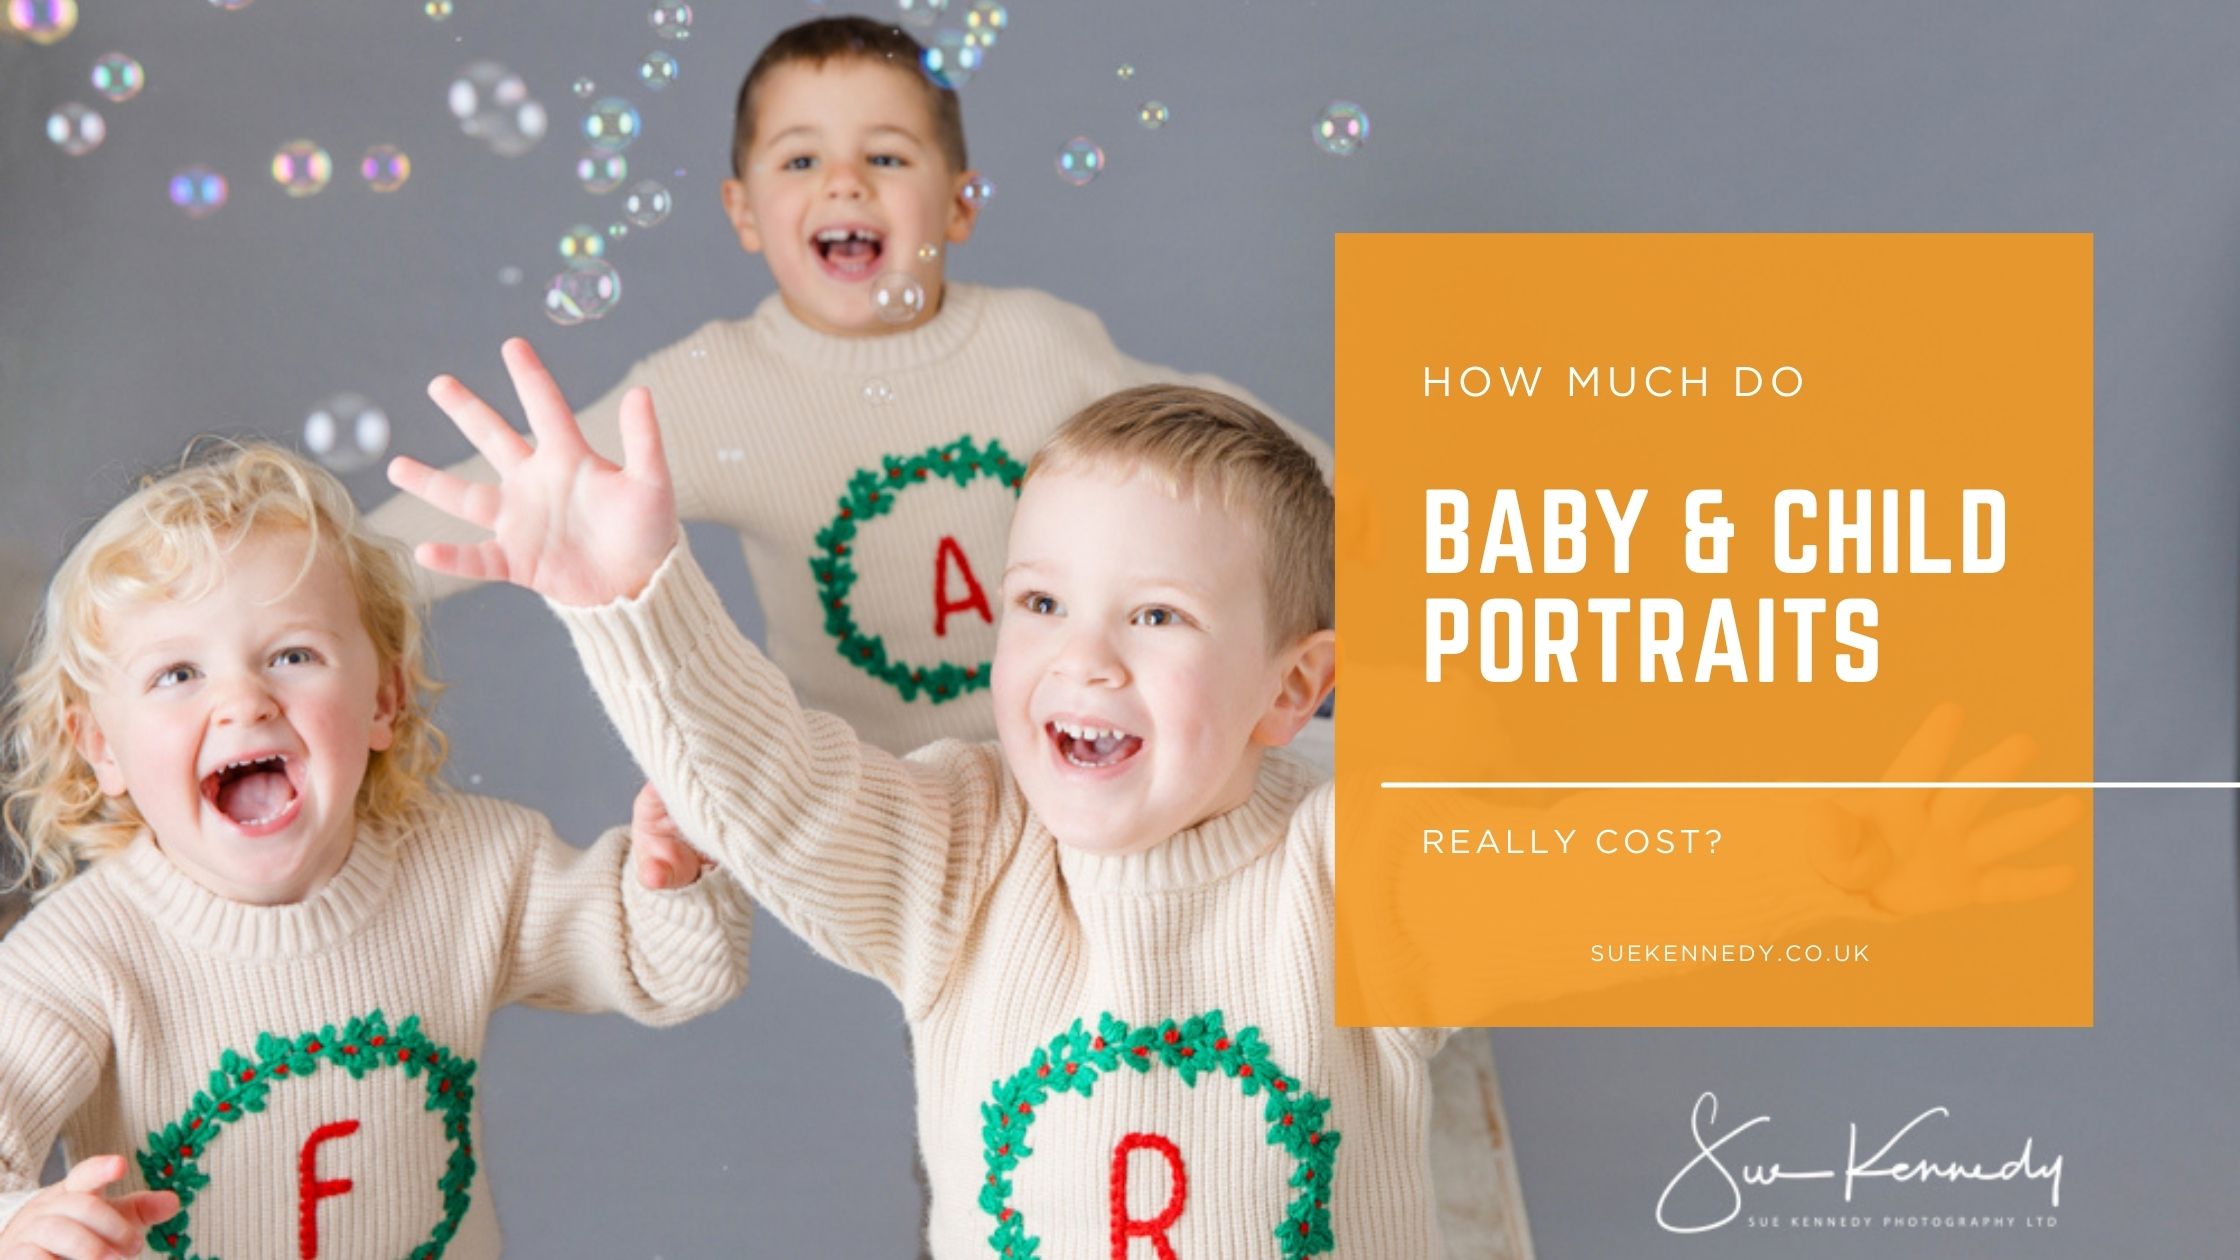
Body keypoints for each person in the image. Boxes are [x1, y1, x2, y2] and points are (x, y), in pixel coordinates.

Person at [0, 443, 747, 1259]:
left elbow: (670, 970)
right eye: (177, 674)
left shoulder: (471, 866)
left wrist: (674, 882)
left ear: (384, 698)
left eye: (293, 656)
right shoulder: (80, 958)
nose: (244, 702)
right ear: (100, 745)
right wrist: (17, 1223)